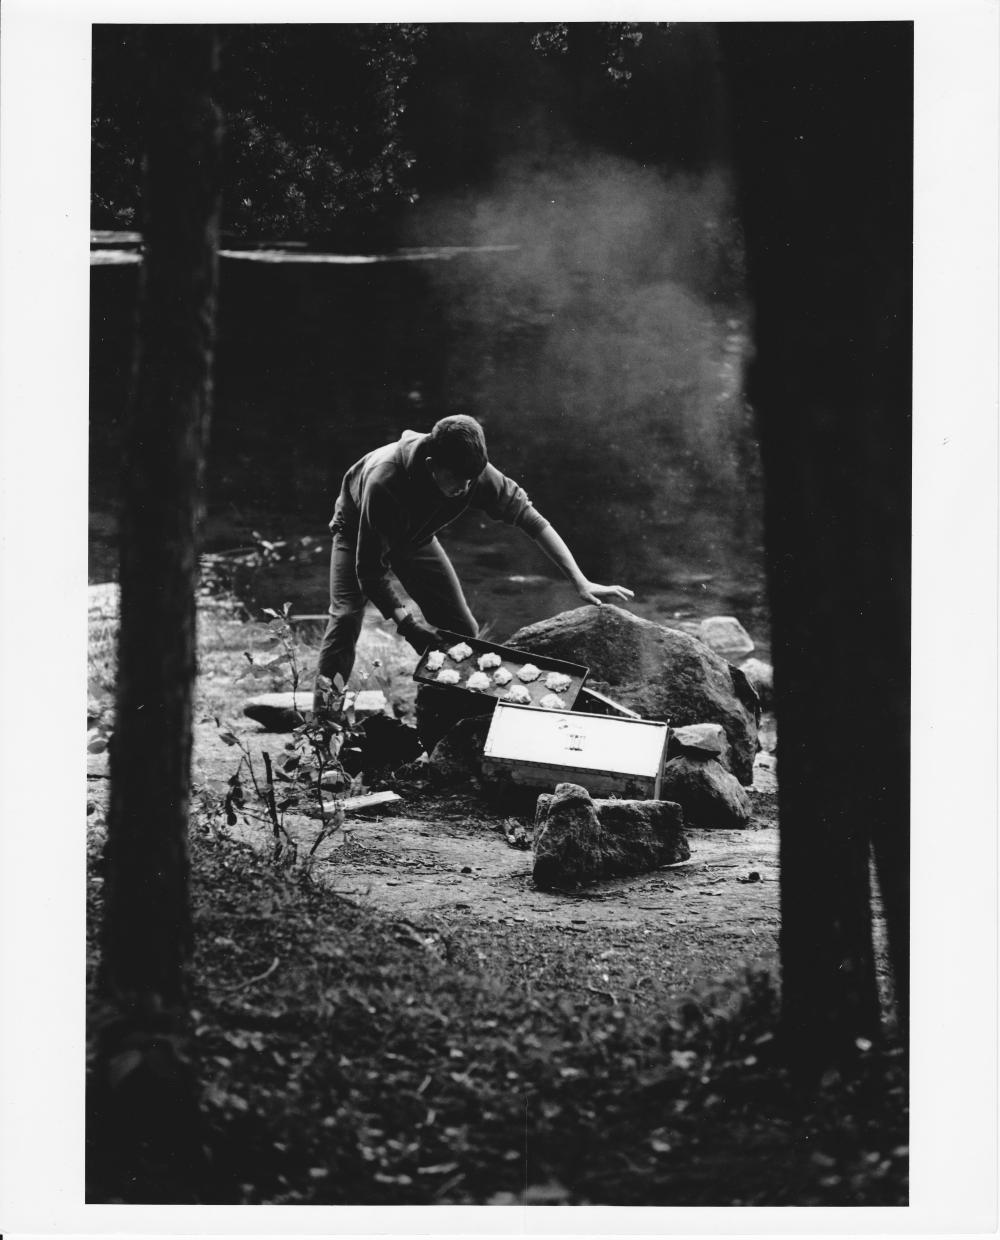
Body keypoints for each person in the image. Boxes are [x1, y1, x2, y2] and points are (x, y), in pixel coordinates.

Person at [314, 415, 633, 708]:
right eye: (457, 482)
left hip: (416, 537)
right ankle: (325, 731)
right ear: (430, 465)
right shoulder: (384, 482)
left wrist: (579, 579)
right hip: (358, 529)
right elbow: (369, 571)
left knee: (463, 631)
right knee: (345, 618)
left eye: (471, 480)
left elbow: (531, 519)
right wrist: (408, 626)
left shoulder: (472, 470)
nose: (466, 488)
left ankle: (444, 717)